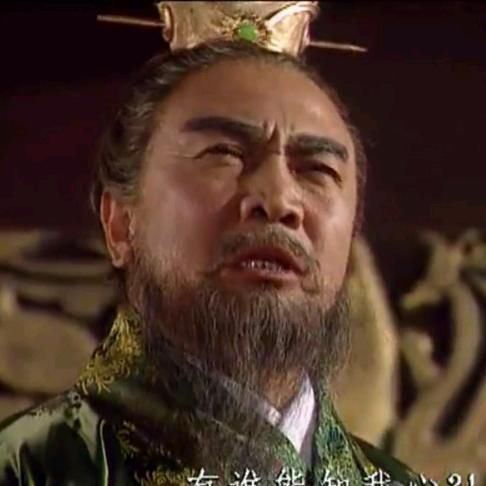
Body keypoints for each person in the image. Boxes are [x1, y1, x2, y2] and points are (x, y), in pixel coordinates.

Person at [0, 5, 419, 485]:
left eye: (317, 170)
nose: (279, 200)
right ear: (120, 224)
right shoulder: (26, 468)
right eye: (224, 153)